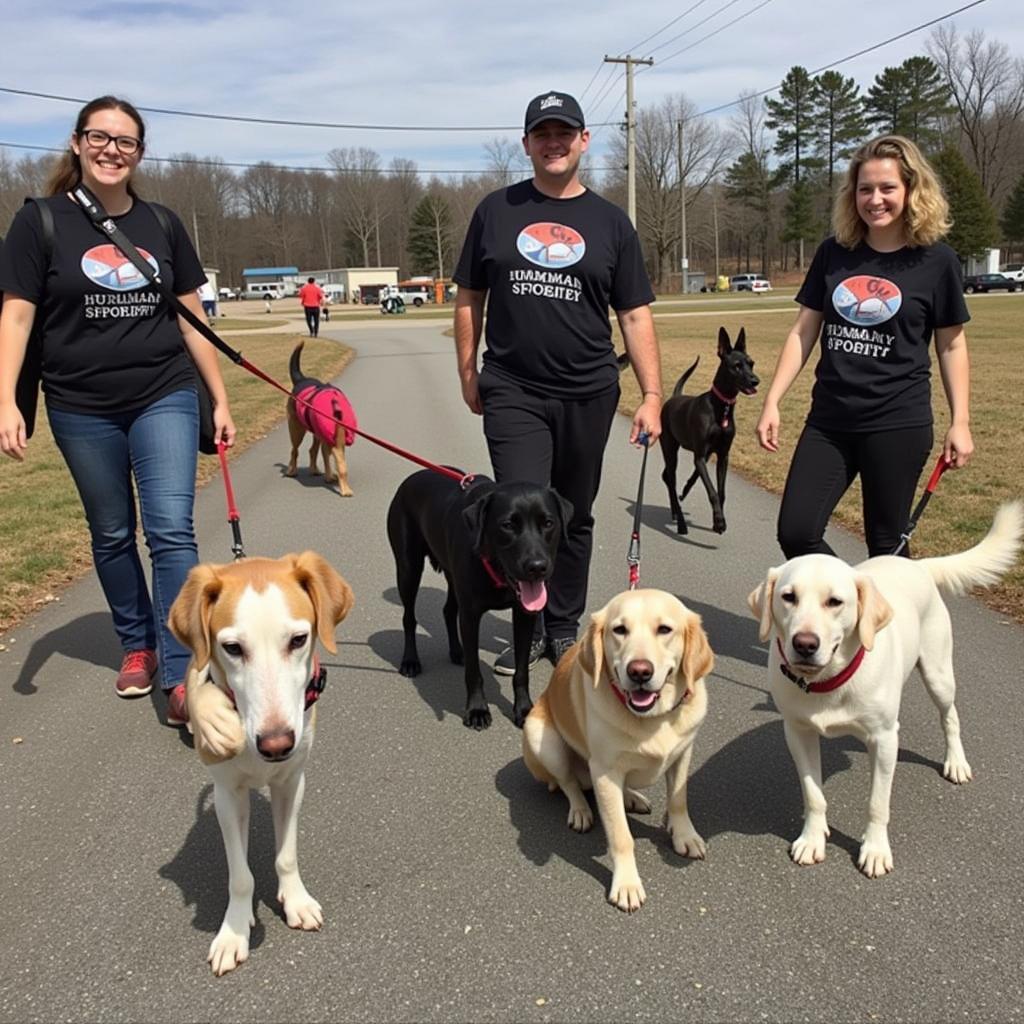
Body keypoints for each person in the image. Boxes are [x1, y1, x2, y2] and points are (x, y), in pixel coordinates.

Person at [0, 95, 236, 724]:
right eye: (99, 137)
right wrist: (6, 402)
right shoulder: (40, 222)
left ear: (139, 153)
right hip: (80, 405)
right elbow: (17, 315)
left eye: (125, 141)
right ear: (77, 144)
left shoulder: (160, 223)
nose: (112, 150)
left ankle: (183, 664)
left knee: (169, 530)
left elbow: (192, 321)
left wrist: (217, 398)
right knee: (110, 533)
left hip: (164, 392)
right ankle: (137, 644)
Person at [452, 90, 663, 675]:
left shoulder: (611, 223)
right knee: (518, 508)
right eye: (542, 133)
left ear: (583, 140)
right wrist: (468, 369)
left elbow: (636, 313)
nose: (553, 142)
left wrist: (651, 395)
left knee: (571, 514)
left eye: (564, 133)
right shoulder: (496, 212)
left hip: (589, 391)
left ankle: (562, 628)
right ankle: (527, 626)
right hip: (513, 388)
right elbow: (470, 295)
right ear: (526, 144)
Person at [755, 134, 973, 559]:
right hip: (830, 421)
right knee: (796, 532)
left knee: (886, 547)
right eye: (865, 188)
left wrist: (960, 420)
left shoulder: (937, 261)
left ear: (911, 190)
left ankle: (887, 622)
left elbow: (952, 346)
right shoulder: (834, 254)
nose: (875, 199)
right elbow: (803, 331)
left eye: (887, 187)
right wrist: (772, 400)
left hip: (897, 421)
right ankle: (855, 604)